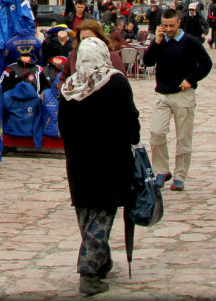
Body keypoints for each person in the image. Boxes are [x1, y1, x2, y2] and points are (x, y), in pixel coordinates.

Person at [56, 38, 140, 297]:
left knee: (86, 214)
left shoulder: (69, 88)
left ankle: (102, 262)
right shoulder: (115, 82)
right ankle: (89, 273)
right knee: (102, 215)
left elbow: (63, 128)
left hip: (79, 161)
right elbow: (130, 122)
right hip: (110, 161)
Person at [143, 8, 212, 191]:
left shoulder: (190, 42)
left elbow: (206, 63)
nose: (168, 29)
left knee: (183, 138)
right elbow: (148, 61)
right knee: (156, 133)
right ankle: (161, 171)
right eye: (165, 26)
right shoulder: (159, 41)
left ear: (179, 23)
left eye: (171, 26)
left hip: (183, 95)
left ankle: (180, 175)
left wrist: (191, 79)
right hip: (163, 94)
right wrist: (156, 43)